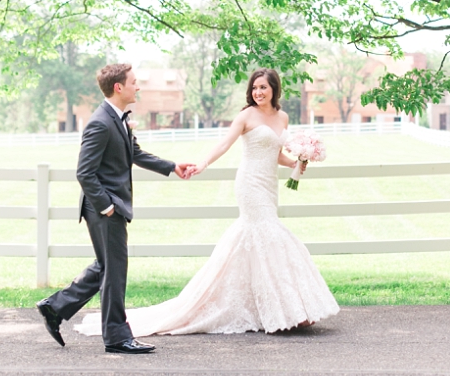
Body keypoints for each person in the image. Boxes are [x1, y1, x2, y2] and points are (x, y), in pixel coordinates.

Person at [75, 67, 339, 337]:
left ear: (274, 89)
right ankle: (284, 312)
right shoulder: (246, 115)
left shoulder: (282, 117)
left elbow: (276, 153)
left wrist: (299, 160)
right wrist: (202, 164)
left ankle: (278, 309)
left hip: (269, 185)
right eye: (255, 88)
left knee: (264, 237)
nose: (258, 92)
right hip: (250, 185)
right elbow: (224, 144)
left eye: (263, 88)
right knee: (267, 234)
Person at [36, 63, 193, 354]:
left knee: (106, 267)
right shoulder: (100, 122)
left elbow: (134, 153)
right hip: (104, 209)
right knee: (115, 271)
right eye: (134, 82)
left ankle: (55, 308)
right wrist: (106, 206)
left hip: (109, 207)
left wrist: (172, 167)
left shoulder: (117, 117)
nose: (138, 87)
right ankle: (117, 337)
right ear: (119, 87)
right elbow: (84, 172)